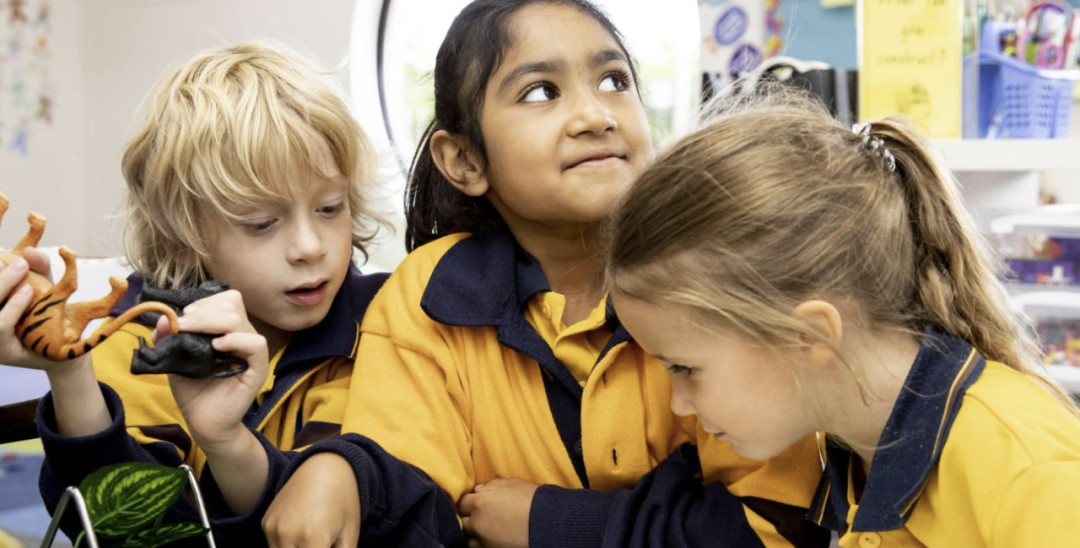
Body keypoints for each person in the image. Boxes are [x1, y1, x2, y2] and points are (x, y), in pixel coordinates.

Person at [263, 2, 827, 547]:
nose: (597, 116)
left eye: (614, 81)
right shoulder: (425, 294)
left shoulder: (726, 273)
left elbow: (777, 528)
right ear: (464, 160)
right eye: (541, 92)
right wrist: (343, 469)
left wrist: (552, 524)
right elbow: (410, 505)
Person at [0, 41, 447, 545]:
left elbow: (402, 514)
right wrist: (70, 374)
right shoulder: (138, 344)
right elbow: (130, 531)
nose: (309, 247)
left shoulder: (388, 325)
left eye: (329, 208)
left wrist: (230, 444)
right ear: (178, 238)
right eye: (261, 223)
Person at [605, 88, 1080, 547]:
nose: (679, 405)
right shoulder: (859, 452)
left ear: (809, 335)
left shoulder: (1024, 467)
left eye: (685, 368)